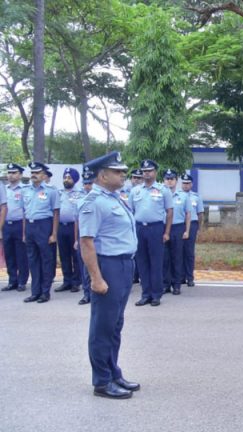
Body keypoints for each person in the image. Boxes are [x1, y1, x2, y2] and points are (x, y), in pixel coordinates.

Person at [78, 151, 139, 399]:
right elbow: (86, 243)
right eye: (118, 171)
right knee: (103, 326)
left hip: (124, 265)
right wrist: (96, 278)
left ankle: (114, 372)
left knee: (115, 325)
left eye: (123, 171)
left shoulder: (115, 198)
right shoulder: (93, 202)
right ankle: (102, 381)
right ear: (102, 175)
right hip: (108, 266)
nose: (123, 175)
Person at [129, 159, 172, 307]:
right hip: (140, 228)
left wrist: (167, 232)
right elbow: (130, 212)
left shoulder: (163, 190)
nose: (147, 173)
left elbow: (169, 212)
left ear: (155, 172)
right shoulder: (135, 191)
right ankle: (145, 294)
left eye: (150, 171)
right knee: (142, 263)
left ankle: (156, 295)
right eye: (144, 171)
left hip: (156, 229)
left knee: (156, 263)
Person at [21, 162, 60, 304]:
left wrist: (54, 233)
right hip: (30, 227)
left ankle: (45, 292)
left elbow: (56, 213)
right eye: (32, 172)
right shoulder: (25, 190)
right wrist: (24, 233)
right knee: (33, 260)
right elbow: (24, 213)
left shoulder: (51, 190)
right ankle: (35, 292)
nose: (34, 175)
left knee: (46, 260)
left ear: (43, 175)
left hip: (44, 226)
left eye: (37, 172)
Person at [162, 169, 191, 295]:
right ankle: (166, 284)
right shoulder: (159, 195)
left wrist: (187, 231)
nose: (169, 181)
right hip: (163, 228)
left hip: (178, 228)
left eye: (172, 179)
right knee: (164, 258)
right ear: (163, 180)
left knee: (177, 257)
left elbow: (188, 214)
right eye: (167, 179)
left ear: (176, 181)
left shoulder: (183, 196)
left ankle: (177, 284)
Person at [54, 168, 83, 294]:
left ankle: (76, 282)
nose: (66, 179)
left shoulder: (80, 193)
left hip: (74, 227)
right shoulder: (59, 193)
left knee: (75, 255)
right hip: (61, 227)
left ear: (75, 179)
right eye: (65, 177)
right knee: (64, 255)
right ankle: (67, 281)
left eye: (69, 177)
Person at [2, 163, 28, 292]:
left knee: (21, 254)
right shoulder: (4, 189)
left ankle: (22, 281)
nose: (11, 175)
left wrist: (24, 231)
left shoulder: (25, 189)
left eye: (14, 173)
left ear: (20, 175)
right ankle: (12, 280)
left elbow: (25, 210)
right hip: (6, 224)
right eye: (9, 173)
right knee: (9, 254)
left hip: (19, 224)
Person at [76, 168, 95, 305]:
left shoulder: (101, 198)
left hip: (98, 238)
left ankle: (97, 293)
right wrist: (76, 239)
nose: (87, 186)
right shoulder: (80, 199)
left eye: (90, 183)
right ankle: (87, 294)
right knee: (85, 267)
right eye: (85, 183)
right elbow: (77, 221)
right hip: (84, 237)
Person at [181, 173, 204, 287]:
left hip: (193, 224)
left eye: (188, 183)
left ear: (192, 184)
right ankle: (180, 277)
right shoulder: (177, 195)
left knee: (189, 252)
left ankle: (190, 277)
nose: (185, 185)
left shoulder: (196, 197)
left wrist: (199, 228)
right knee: (178, 251)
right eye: (184, 183)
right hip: (180, 224)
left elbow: (200, 214)